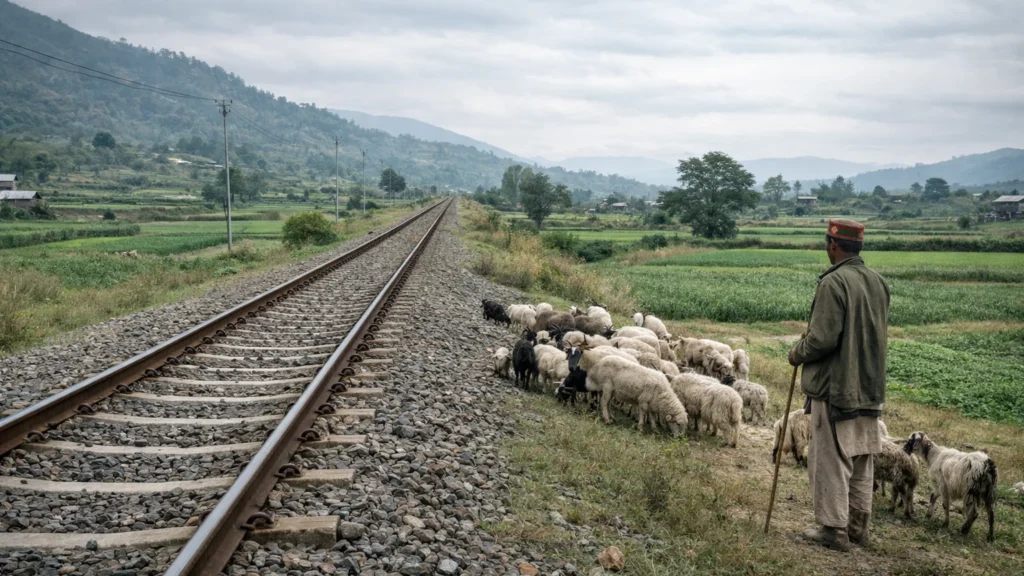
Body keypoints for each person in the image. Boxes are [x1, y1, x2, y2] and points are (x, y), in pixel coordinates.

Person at [788, 218, 890, 551]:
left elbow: (822, 339)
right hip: (869, 386)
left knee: (831, 460)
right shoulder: (877, 281)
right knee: (861, 458)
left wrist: (797, 353)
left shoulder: (833, 284)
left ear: (833, 244)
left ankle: (833, 531)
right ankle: (858, 527)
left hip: (837, 388)